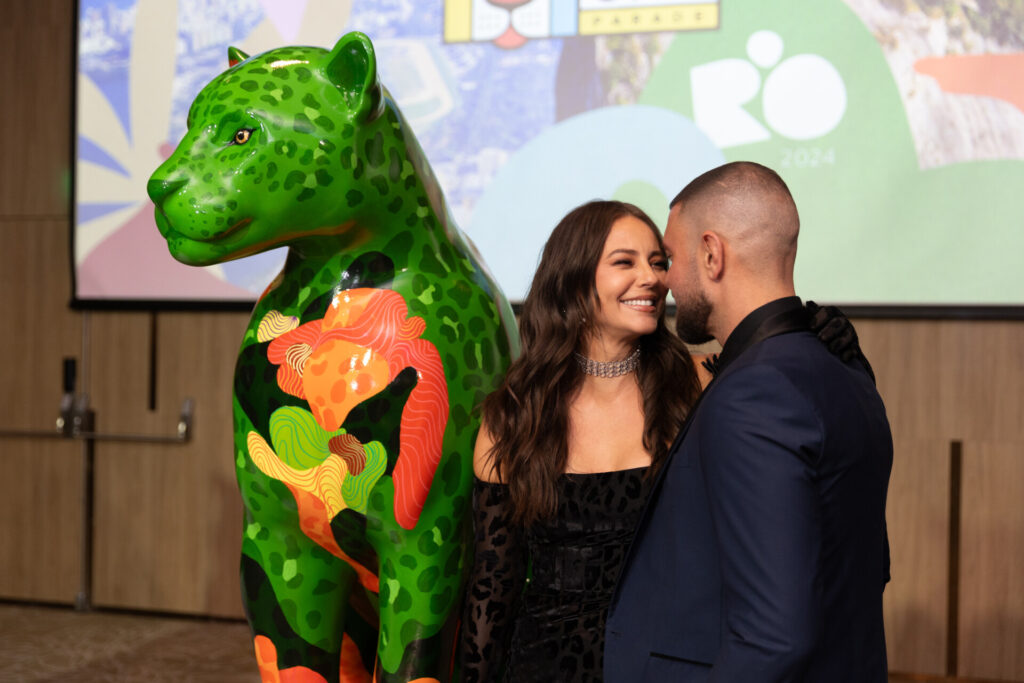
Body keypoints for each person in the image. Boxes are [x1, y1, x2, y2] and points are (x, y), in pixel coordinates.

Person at [457, 197, 870, 682]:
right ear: (572, 279)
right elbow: (493, 589)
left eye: (659, 262)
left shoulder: (705, 384)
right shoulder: (514, 414)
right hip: (541, 666)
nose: (653, 278)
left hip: (665, 666)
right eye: (624, 262)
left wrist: (834, 354)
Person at [605, 162, 892, 682]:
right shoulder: (850, 376)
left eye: (669, 258)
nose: (662, 279)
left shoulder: (751, 395)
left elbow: (774, 637)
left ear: (712, 254)